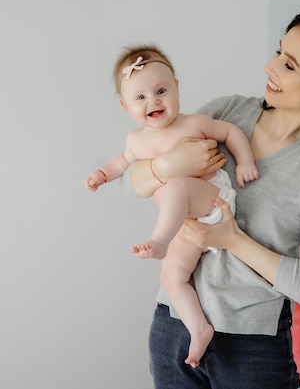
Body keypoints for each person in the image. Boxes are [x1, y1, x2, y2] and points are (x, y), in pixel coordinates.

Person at [121, 7, 300, 388]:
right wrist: (165, 166)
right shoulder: (228, 112)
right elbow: (130, 183)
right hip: (172, 326)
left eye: (289, 65)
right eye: (278, 52)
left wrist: (231, 240)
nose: (270, 67)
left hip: (251, 350)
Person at [85, 45, 259, 367]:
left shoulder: (194, 123)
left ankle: (158, 241)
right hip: (184, 223)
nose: (153, 101)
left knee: (175, 186)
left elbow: (231, 131)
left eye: (161, 90)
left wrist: (245, 161)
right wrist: (101, 175)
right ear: (126, 106)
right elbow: (121, 164)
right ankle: (198, 328)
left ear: (177, 87)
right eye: (140, 98)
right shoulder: (136, 141)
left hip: (211, 200)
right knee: (172, 277)